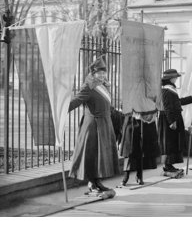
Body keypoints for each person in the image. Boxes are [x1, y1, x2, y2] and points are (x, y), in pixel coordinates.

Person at [68, 56, 121, 194]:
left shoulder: (102, 85)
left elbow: (105, 105)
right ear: (93, 73)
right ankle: (93, 182)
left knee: (100, 156)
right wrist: (62, 110)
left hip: (104, 124)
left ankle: (96, 182)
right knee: (93, 155)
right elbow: (77, 100)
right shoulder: (89, 86)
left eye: (104, 72)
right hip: (93, 126)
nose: (102, 75)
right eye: (99, 73)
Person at [158, 68, 192, 176]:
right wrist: (171, 121)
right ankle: (167, 165)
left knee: (173, 142)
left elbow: (177, 102)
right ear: (170, 79)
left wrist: (191, 98)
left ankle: (170, 165)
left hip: (173, 118)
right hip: (169, 119)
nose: (176, 79)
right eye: (175, 77)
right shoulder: (166, 90)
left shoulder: (171, 89)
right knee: (169, 143)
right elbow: (168, 107)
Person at [118, 112, 161, 186]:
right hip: (131, 121)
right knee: (129, 151)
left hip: (145, 123)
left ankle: (139, 175)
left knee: (141, 150)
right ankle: (126, 175)